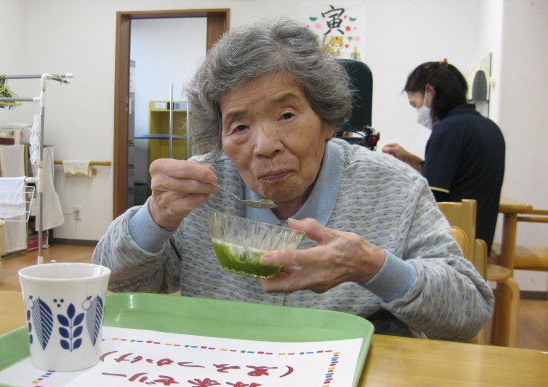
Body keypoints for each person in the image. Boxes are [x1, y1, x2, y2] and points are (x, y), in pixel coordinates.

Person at [93, 19, 493, 341]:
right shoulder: (201, 186)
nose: (265, 146)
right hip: (224, 382)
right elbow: (117, 281)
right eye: (240, 126)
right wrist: (156, 217)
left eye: (286, 115)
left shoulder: (393, 189)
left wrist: (371, 267)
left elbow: (468, 311)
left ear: (327, 119)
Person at [381, 60, 505, 253]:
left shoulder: (448, 130)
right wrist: (409, 158)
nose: (418, 113)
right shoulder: (488, 127)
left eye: (415, 105)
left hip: (454, 243)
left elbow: (432, 196)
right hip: (479, 242)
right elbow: (457, 180)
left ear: (430, 91)